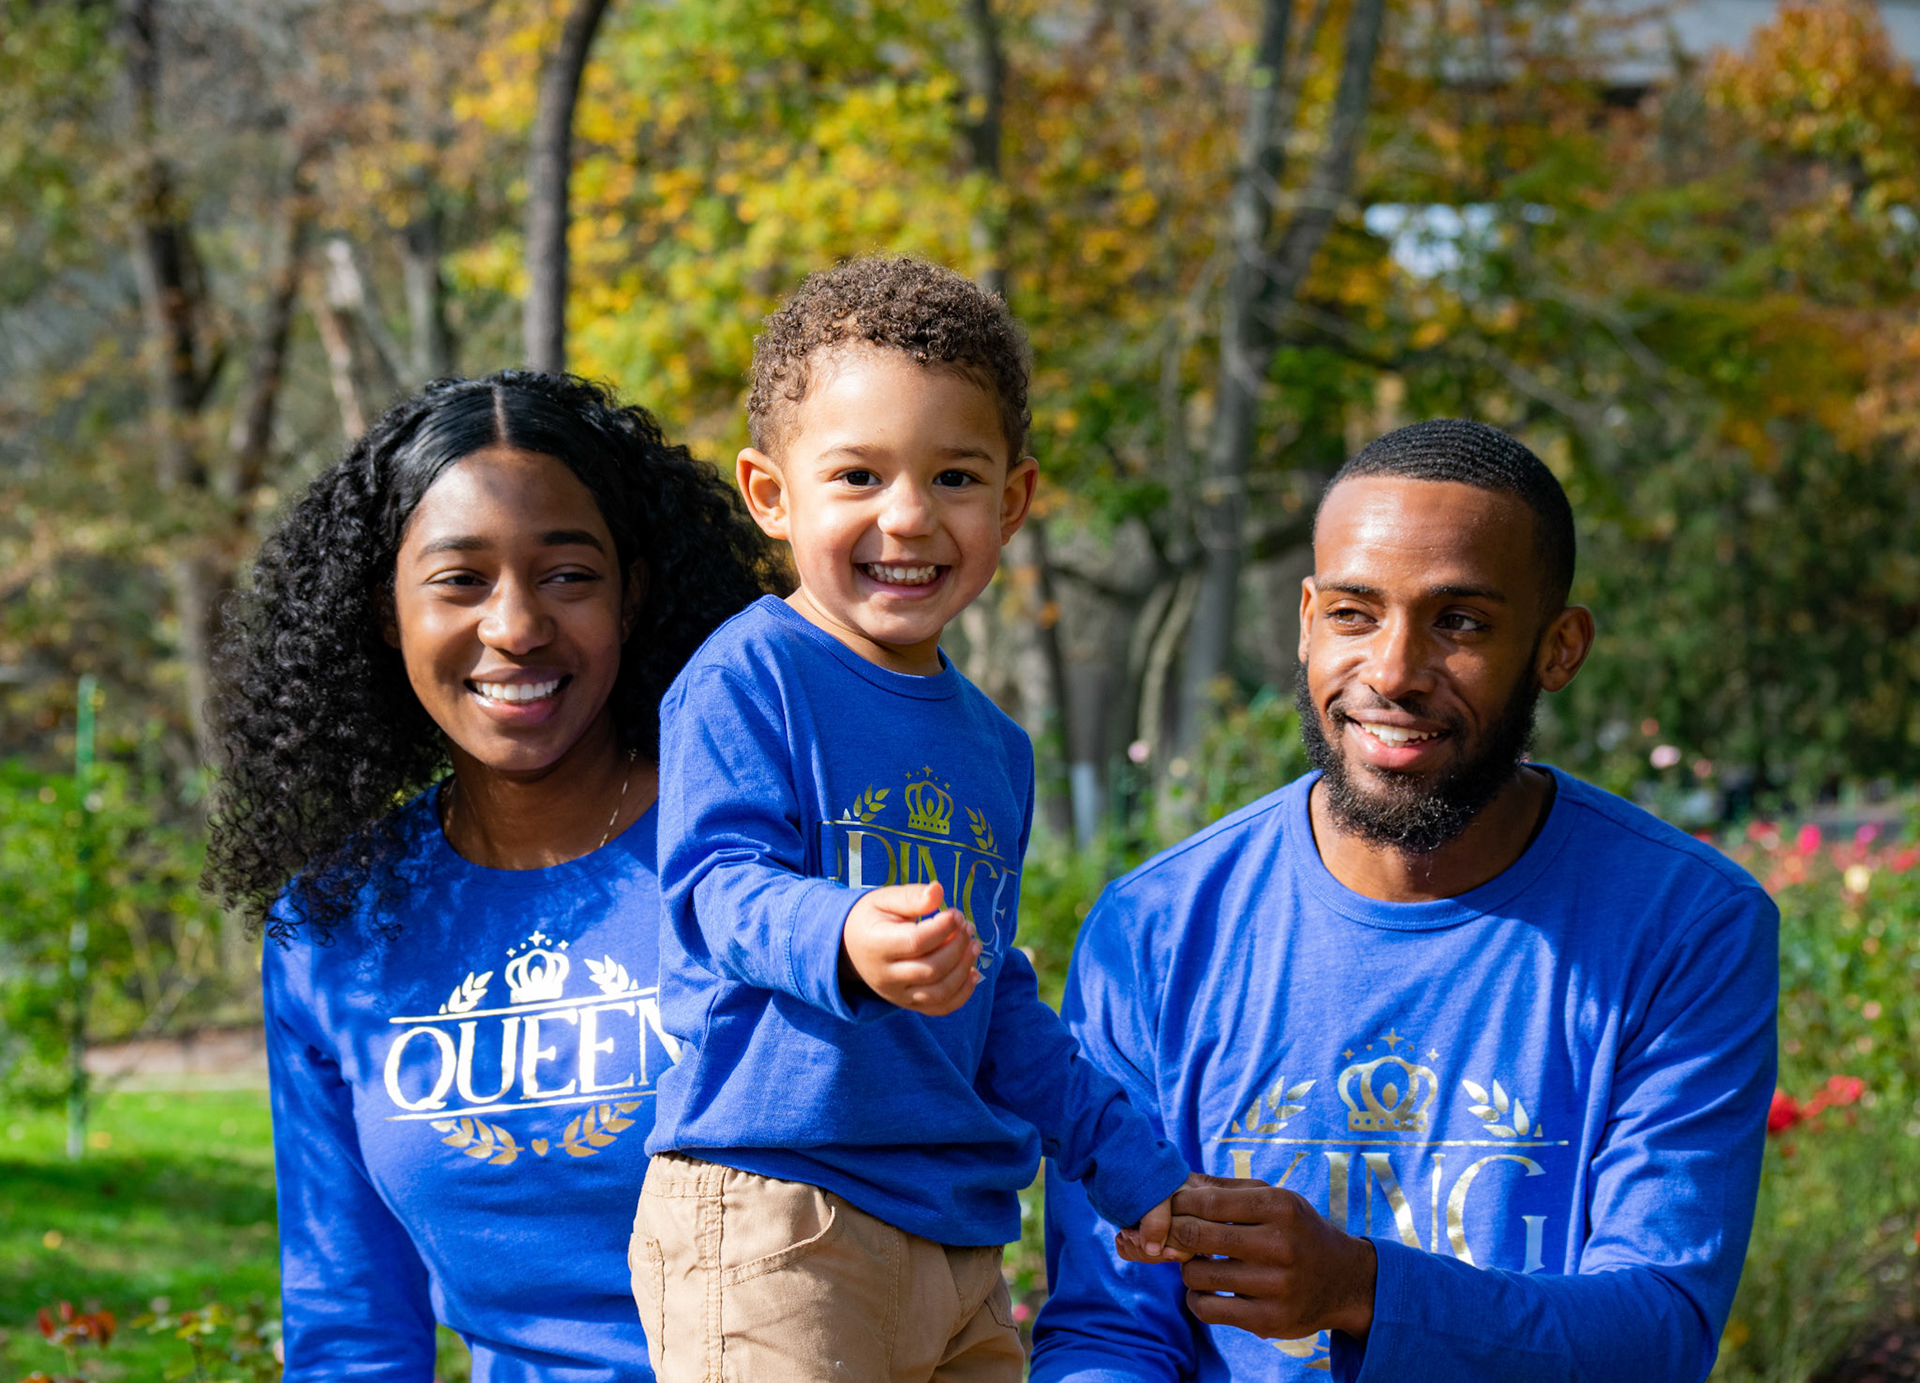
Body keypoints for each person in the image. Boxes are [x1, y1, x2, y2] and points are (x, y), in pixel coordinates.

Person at [1032, 419, 1779, 1382]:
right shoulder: (1156, 931)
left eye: (1459, 622)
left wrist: (1360, 1287)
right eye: (1354, 613)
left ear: (1558, 649)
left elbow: (1658, 1329)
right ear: (1307, 620)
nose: (1391, 672)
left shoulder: (1683, 925)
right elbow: (1111, 1330)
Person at [634, 256, 1192, 1382]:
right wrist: (844, 930)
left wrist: (1127, 1161)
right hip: (782, 1212)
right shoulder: (749, 676)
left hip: (959, 1245)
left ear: (1012, 502)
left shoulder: (996, 746)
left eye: (954, 476)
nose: (908, 516)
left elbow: (995, 995)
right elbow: (717, 888)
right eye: (857, 474)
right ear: (770, 494)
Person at [202, 371, 781, 1382]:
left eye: (568, 575)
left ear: (633, 594)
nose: (515, 625)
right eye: (460, 579)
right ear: (385, 611)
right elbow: (351, 1324)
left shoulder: (753, 850)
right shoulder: (337, 925)